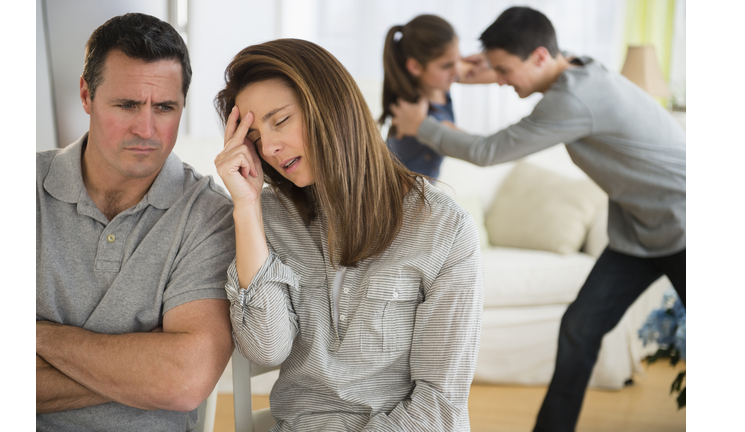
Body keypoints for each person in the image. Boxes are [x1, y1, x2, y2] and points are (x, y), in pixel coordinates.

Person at [389, 6, 686, 432]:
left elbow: (488, 152)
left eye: (506, 70)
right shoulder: (579, 69)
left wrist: (422, 126)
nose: (502, 80)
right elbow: (528, 72)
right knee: (580, 329)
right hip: (638, 236)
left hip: (686, 226)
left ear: (542, 56)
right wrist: (493, 68)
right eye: (498, 69)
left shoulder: (574, 99)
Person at [214, 38, 484, 431]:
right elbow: (266, 347)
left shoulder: (445, 228)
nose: (270, 148)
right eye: (254, 139)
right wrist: (247, 207)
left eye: (281, 120)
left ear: (331, 106)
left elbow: (439, 405)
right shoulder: (265, 217)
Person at [36, 13, 235, 431]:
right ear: (87, 96)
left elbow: (185, 381)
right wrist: (144, 371)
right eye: (127, 105)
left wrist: (37, 337)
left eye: (164, 107)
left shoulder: (208, 215)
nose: (146, 129)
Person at [379, 14, 460, 179]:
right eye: (447, 66)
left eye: (459, 59)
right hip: (405, 203)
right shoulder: (420, 116)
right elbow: (477, 149)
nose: (457, 72)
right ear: (415, 66)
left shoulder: (438, 87)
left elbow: (465, 70)